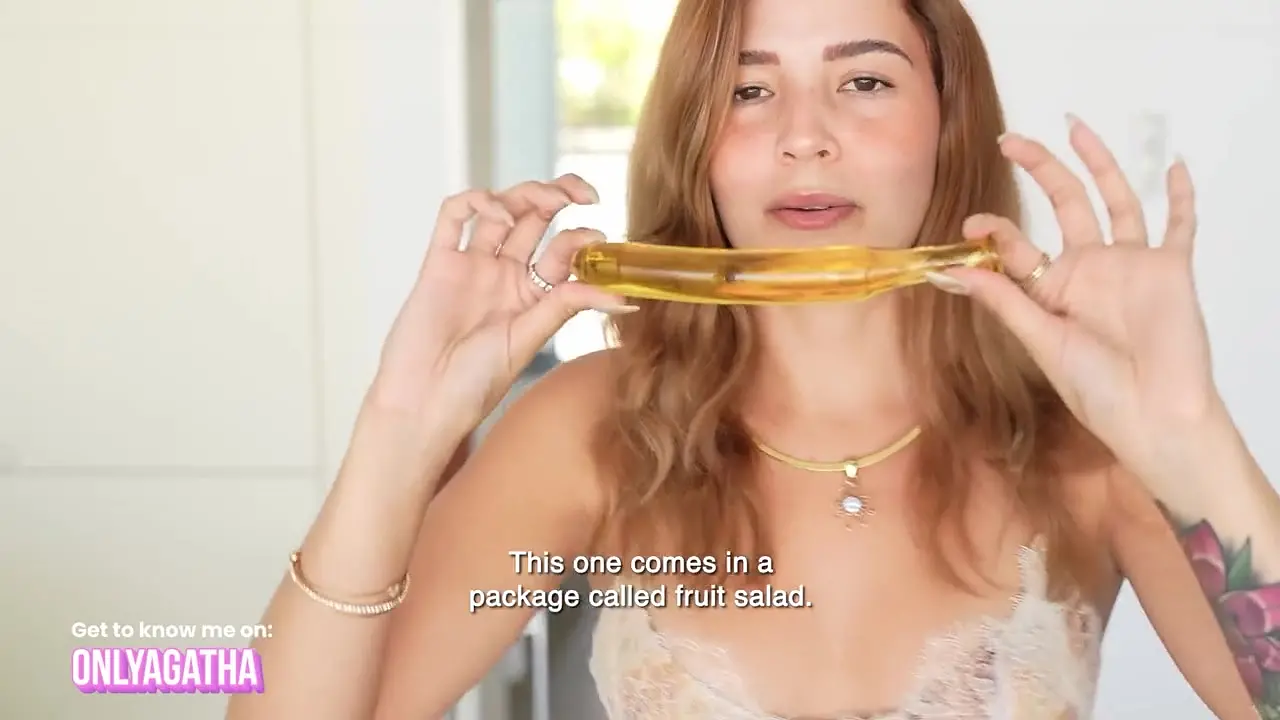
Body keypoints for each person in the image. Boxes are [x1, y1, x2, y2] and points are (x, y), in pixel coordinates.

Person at [227, 0, 1280, 717]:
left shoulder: (1092, 441)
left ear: (948, 125)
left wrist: (1189, 439)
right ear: (695, 138)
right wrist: (400, 428)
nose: (803, 136)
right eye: (746, 90)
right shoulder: (592, 428)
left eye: (863, 81)